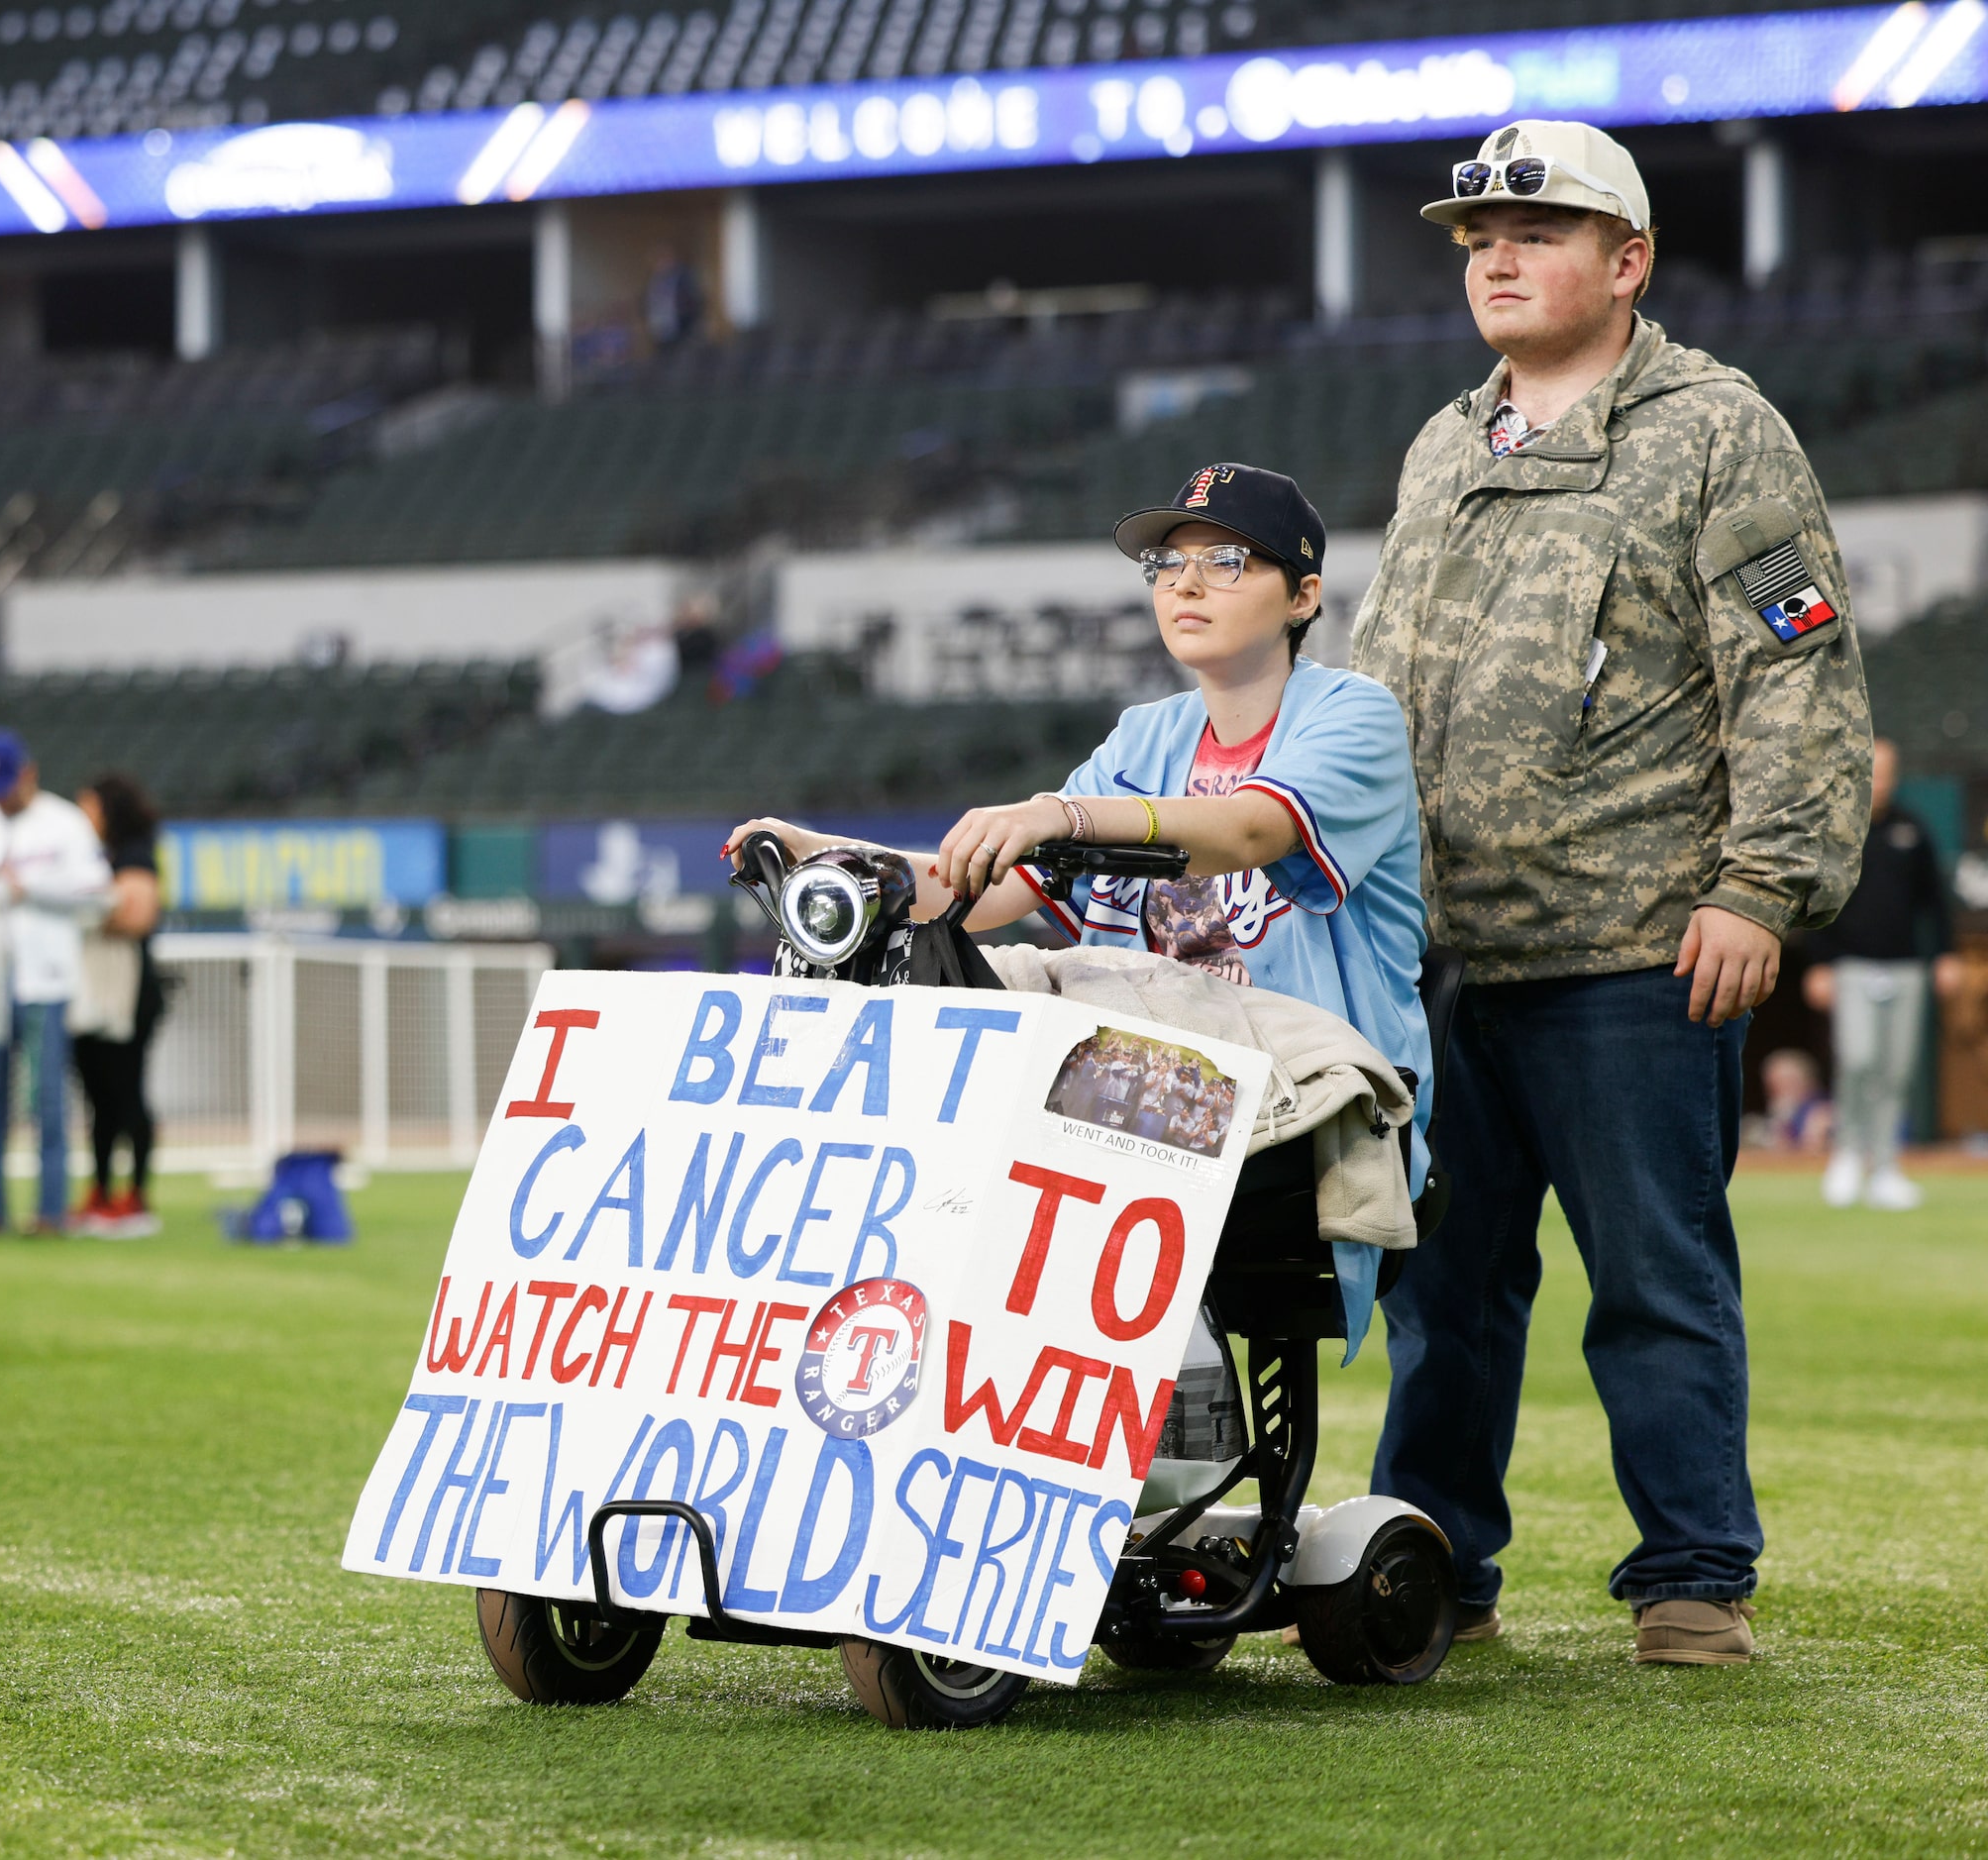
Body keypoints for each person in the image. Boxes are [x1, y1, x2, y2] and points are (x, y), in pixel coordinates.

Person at [1348, 121, 1873, 1667]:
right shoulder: (1447, 441)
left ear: (1627, 260)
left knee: (1653, 1277)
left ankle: (1694, 1577)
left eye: (1540, 229)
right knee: (1445, 1293)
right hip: (1443, 950)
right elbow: (1378, 687)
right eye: (1477, 237)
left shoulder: (1720, 427)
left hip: (1636, 949)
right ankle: (1433, 1561)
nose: (1498, 255)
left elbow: (1795, 669)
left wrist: (1763, 886)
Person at [731, 460, 1431, 1189]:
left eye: (1226, 561)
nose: (1184, 585)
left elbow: (1251, 830)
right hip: (1142, 1105)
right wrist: (833, 856)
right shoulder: (1144, 736)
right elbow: (987, 893)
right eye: (1167, 564)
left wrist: (1062, 816)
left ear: (1303, 595)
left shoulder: (1354, 714)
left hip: (1311, 1112)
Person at [0, 729, 112, 1235]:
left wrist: (32, 890)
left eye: (7, 784)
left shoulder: (65, 822)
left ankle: (50, 1212)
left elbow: (98, 894)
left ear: (29, 773)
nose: (0, 797)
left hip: (46, 981)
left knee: (48, 1102)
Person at [1801, 738, 1961, 1209]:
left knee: (1896, 1070)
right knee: (1859, 1060)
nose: (1881, 778)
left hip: (1906, 969)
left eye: (1888, 769)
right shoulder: (1837, 831)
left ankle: (1887, 1166)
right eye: (1874, 768)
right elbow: (1817, 901)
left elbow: (1936, 902)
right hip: (1850, 967)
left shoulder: (1914, 829)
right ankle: (1848, 1155)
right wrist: (1820, 964)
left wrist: (1946, 956)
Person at [71, 773, 166, 1238]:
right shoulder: (79, 856)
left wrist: (83, 913)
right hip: (89, 993)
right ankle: (101, 1190)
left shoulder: (134, 854)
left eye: (88, 807)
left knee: (128, 1094)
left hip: (130, 994)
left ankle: (137, 1194)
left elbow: (138, 915)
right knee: (98, 1100)